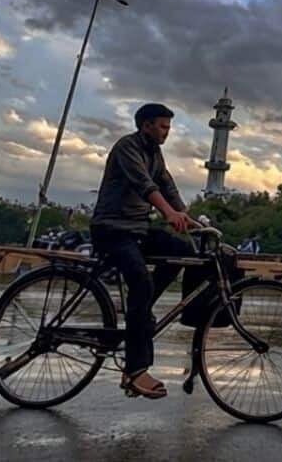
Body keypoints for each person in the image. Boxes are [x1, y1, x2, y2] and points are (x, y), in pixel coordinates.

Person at [90, 103, 195, 400]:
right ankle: (136, 370)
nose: (167, 132)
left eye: (169, 128)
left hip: (137, 229)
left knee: (181, 251)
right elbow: (144, 184)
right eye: (162, 127)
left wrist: (185, 218)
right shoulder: (127, 147)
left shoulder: (155, 153)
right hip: (112, 229)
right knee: (139, 278)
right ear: (146, 125)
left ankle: (142, 310)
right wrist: (167, 214)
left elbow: (166, 184)